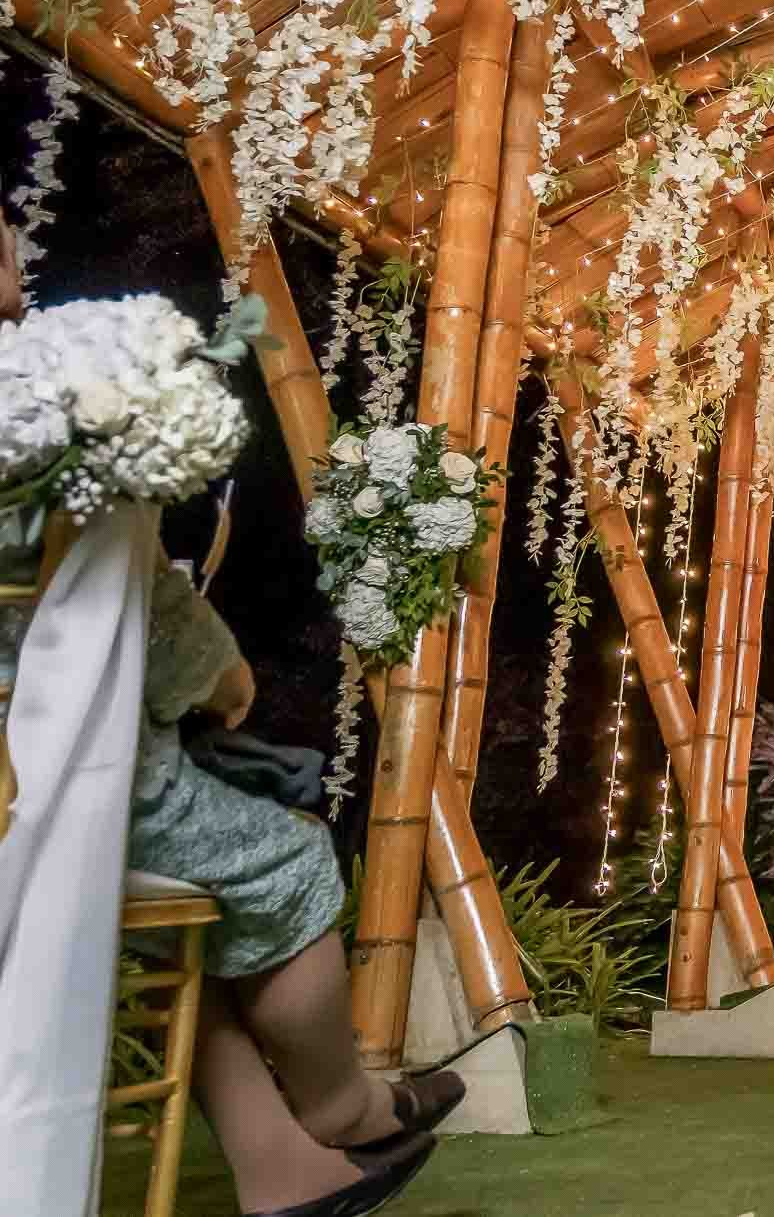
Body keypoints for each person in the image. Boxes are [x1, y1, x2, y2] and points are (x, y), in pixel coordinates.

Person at [0, 227, 459, 1217]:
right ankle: (340, 1102)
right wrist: (217, 673)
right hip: (38, 779)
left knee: (173, 914)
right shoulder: (47, 410)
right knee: (284, 856)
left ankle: (279, 1164)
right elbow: (119, 619)